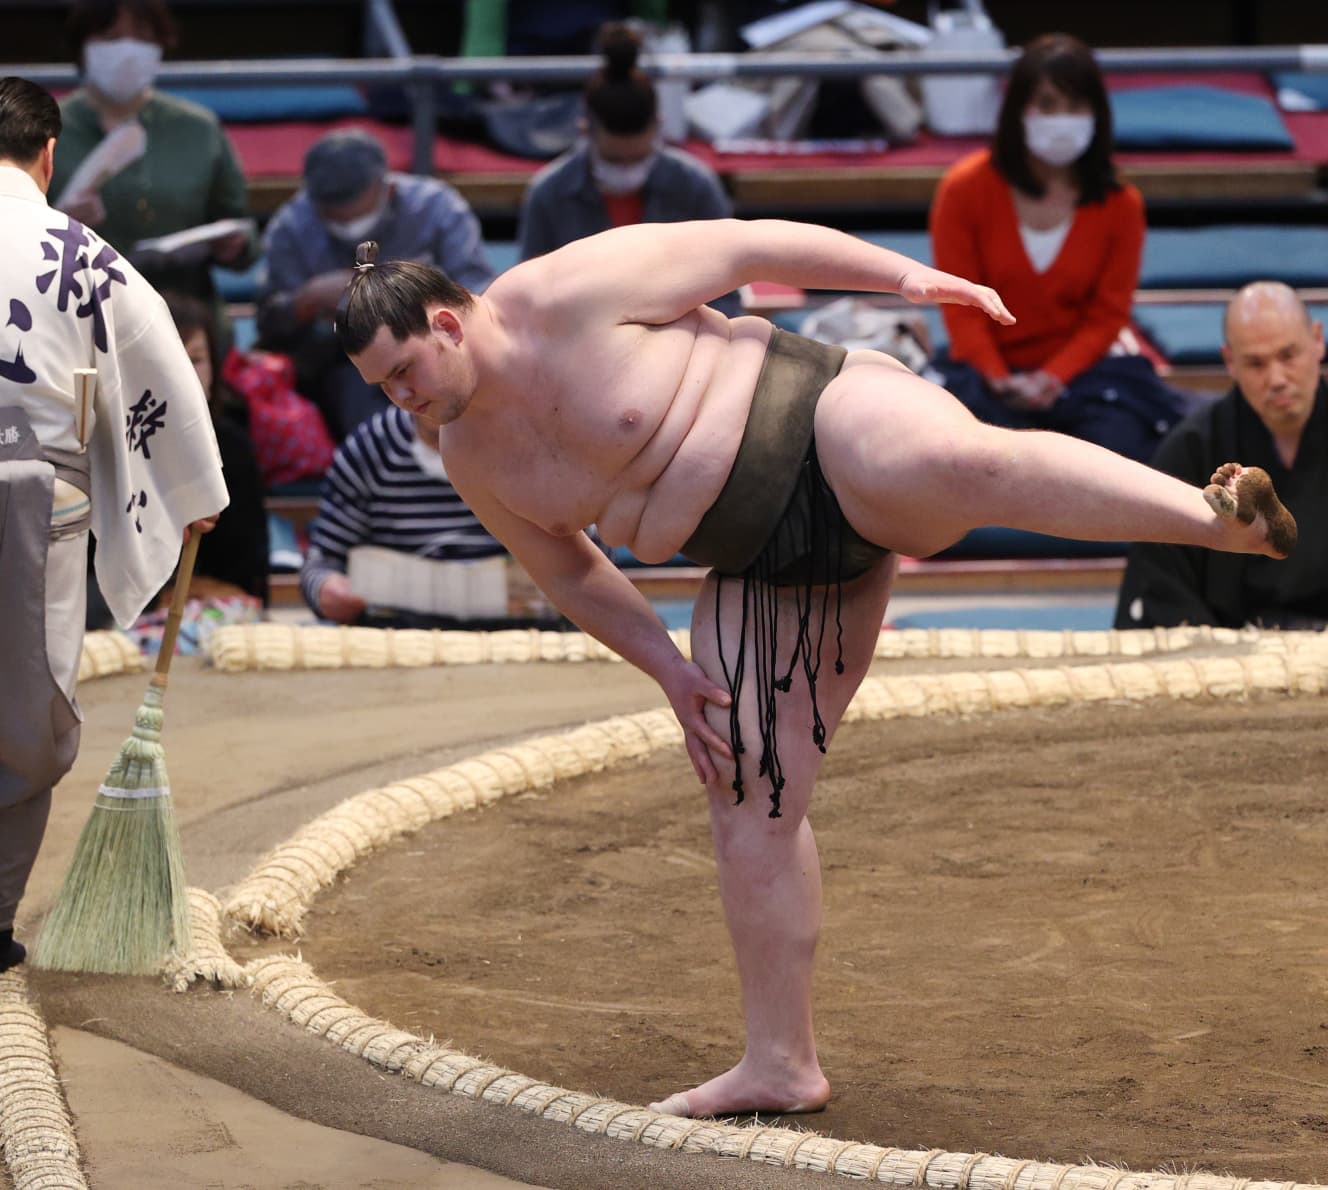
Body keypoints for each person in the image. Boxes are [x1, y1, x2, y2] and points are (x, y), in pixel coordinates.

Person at [333, 219, 1295, 1120]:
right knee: (747, 798)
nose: (402, 398)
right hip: (762, 565)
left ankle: (1213, 520)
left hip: (825, 416)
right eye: (383, 388)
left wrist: (907, 276)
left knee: (961, 463)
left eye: (405, 370)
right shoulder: (466, 451)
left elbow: (750, 243)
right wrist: (670, 669)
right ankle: (781, 1062)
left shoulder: (569, 289)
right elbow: (568, 569)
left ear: (448, 322)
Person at [0, 77, 227, 972]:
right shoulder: (82, 255)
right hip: (31, 506)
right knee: (20, 714)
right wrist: (194, 485)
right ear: (49, 156)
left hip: (34, 501)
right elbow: (159, 359)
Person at [925, 33, 1186, 464]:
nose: (1062, 119)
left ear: (1097, 115)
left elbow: (1107, 316)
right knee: (956, 455)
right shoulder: (964, 190)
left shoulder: (1121, 204)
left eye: (1076, 106)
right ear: (1018, 111)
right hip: (984, 373)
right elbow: (960, 306)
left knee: (1120, 457)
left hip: (1084, 376)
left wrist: (1053, 377)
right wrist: (997, 377)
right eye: (1047, 105)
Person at [257, 129, 493, 441]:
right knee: (357, 391)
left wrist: (414, 298)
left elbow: (477, 295)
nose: (344, 216)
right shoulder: (292, 226)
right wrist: (306, 300)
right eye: (331, 210)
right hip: (339, 363)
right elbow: (270, 326)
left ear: (387, 187)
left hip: (432, 346)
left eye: (354, 203)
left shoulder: (437, 208)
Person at [1116, 282, 1326, 630]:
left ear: (1318, 340)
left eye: (1288, 356)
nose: (1276, 379)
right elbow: (1162, 591)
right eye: (1256, 363)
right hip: (1228, 660)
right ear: (1230, 361)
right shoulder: (1191, 450)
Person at [517, 23, 741, 318]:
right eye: (614, 159)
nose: (626, 169)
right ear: (586, 132)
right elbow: (530, 299)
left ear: (658, 127)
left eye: (638, 159)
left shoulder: (696, 186)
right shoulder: (547, 193)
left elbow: (726, 297)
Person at [50, 0, 256, 308]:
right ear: (83, 46)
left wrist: (236, 246)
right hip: (75, 312)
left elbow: (242, 231)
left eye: (143, 37)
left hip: (183, 318)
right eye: (111, 37)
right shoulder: (40, 130)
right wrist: (56, 224)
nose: (128, 50)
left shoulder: (198, 128)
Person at [301, 403, 521, 629]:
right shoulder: (370, 446)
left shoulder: (523, 440)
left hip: (519, 630)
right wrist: (326, 588)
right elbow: (323, 560)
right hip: (400, 634)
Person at [166, 292, 269, 607]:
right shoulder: (110, 447)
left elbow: (249, 581)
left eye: (196, 359)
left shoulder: (234, 448)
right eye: (170, 359)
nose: (186, 373)